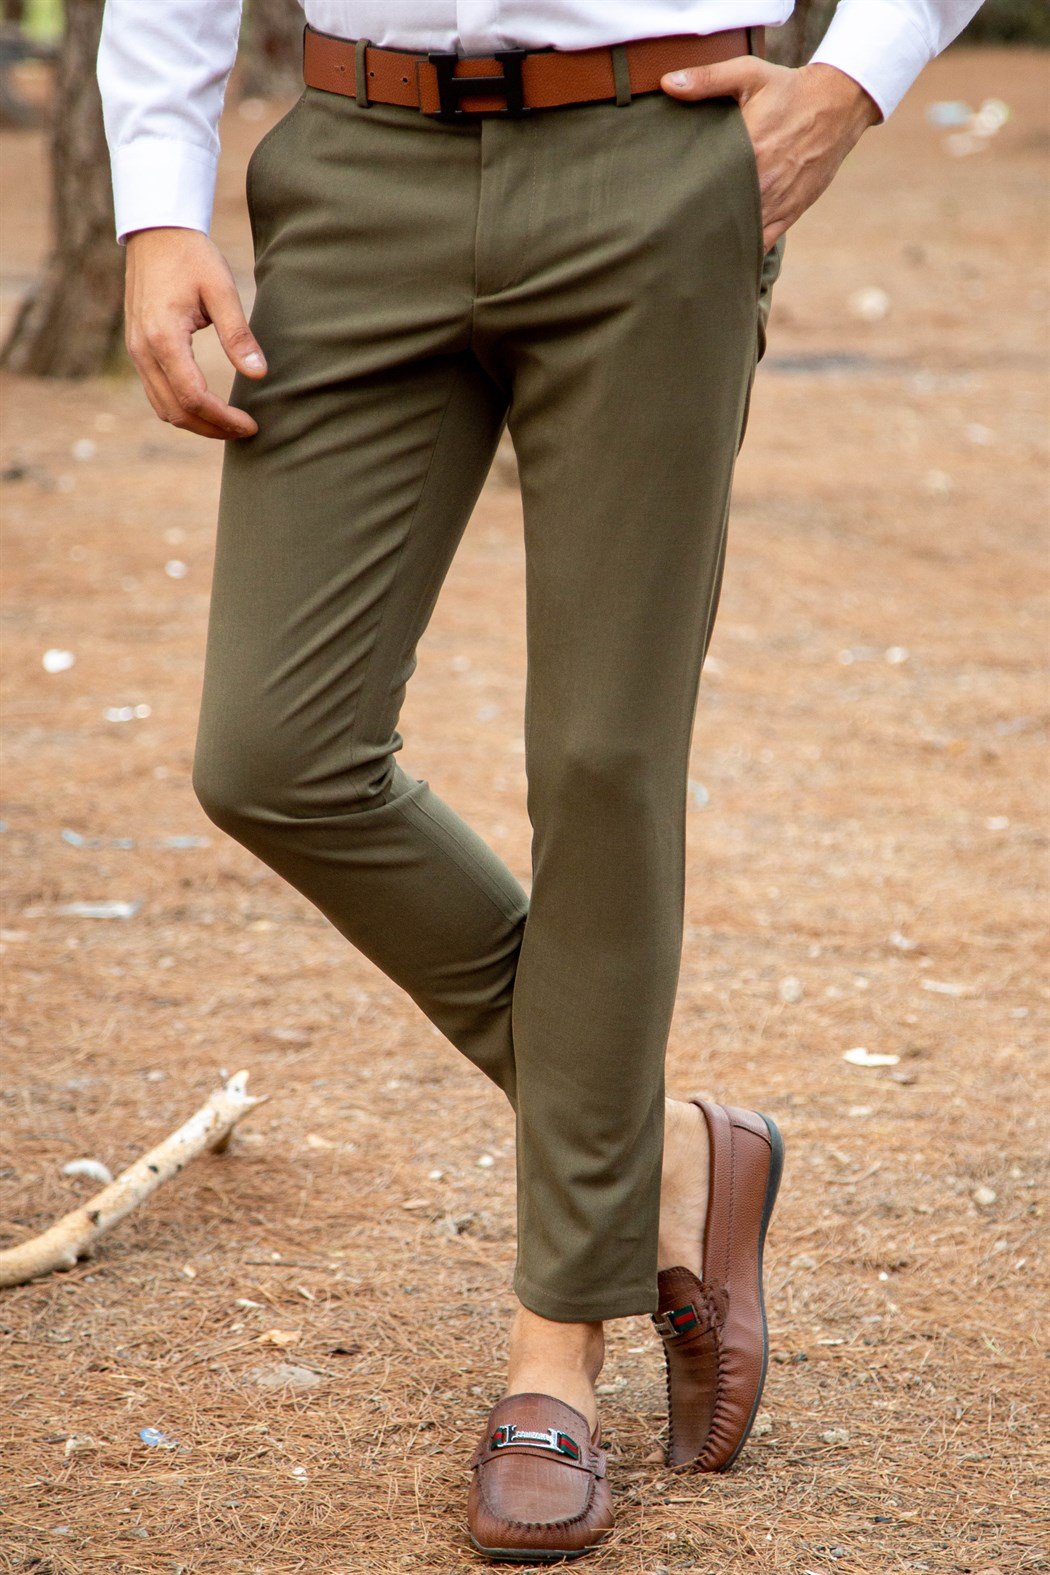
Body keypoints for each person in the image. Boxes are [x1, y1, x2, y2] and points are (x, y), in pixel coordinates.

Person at [97, 0, 982, 1561]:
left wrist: (855, 78)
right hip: (357, 166)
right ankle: (668, 1155)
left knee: (601, 762)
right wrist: (158, 197)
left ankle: (552, 1358)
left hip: (656, 161)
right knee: (273, 754)